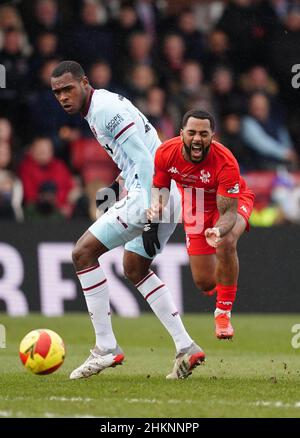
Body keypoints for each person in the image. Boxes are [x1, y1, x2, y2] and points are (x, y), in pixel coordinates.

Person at [50, 60, 205, 380]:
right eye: (57, 93)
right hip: (163, 191)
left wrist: (151, 213)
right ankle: (186, 347)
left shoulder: (104, 109)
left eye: (68, 89)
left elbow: (147, 161)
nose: (63, 97)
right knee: (134, 268)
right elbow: (140, 152)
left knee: (82, 254)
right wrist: (116, 184)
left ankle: (106, 347)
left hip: (153, 194)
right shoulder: (99, 108)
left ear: (84, 83)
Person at [144, 110, 255, 339]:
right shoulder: (165, 153)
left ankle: (223, 313)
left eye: (204, 134)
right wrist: (157, 206)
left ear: (212, 136)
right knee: (204, 283)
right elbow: (161, 190)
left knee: (226, 241)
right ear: (181, 133)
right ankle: (227, 277)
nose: (197, 139)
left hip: (230, 203)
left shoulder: (226, 162)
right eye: (192, 133)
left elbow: (228, 214)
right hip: (196, 206)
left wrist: (218, 230)